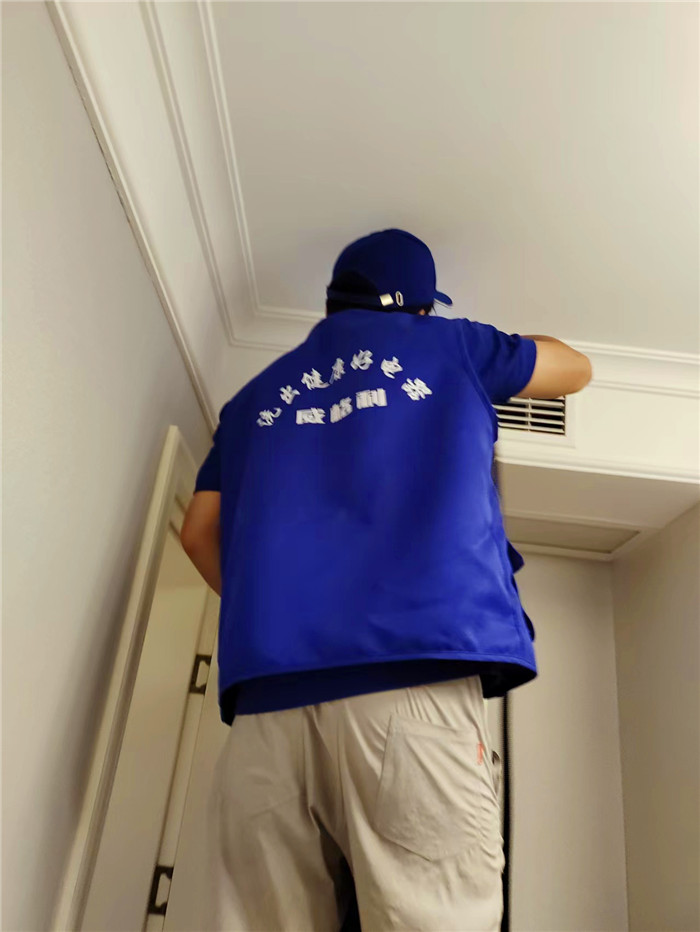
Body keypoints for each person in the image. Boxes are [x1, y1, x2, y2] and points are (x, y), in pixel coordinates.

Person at [181, 229, 592, 931]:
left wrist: (287, 611)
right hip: (410, 693)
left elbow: (197, 531)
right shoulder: (451, 345)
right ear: (421, 307)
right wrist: (483, 342)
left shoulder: (250, 403)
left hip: (265, 718)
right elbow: (574, 368)